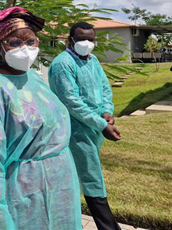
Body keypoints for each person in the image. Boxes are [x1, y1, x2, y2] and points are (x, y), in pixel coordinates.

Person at [0, 7, 81, 230]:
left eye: (31, 41)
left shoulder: (33, 78)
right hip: (24, 191)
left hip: (60, 186)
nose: (25, 49)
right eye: (14, 43)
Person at [48, 22, 122, 230]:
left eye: (91, 39)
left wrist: (107, 112)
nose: (87, 43)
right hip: (75, 131)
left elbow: (104, 88)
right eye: (81, 39)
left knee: (75, 177)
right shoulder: (62, 64)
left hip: (93, 130)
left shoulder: (93, 60)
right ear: (70, 39)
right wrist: (101, 124)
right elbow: (71, 101)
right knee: (92, 178)